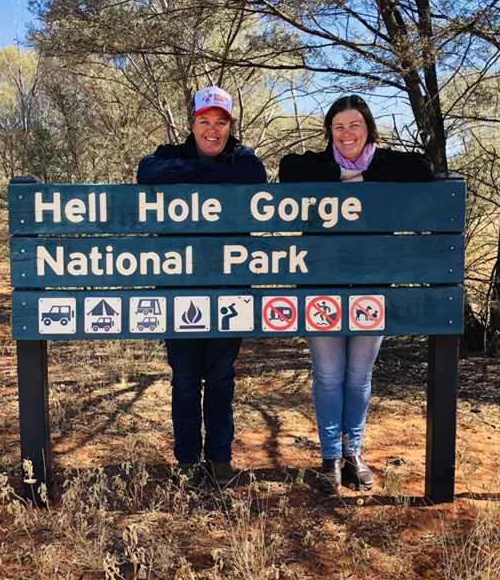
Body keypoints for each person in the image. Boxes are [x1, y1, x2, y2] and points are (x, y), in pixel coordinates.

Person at [278, 94, 435, 495]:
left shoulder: (385, 163)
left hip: (370, 288)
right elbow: (288, 171)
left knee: (358, 375)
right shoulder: (316, 164)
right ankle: (330, 458)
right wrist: (343, 178)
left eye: (355, 126)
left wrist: (362, 179)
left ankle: (354, 454)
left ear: (368, 129)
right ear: (329, 132)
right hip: (321, 287)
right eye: (338, 127)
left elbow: (423, 168)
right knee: (329, 375)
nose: (347, 134)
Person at [137, 85, 267, 485]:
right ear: (191, 123)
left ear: (231, 126)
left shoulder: (243, 159)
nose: (212, 131)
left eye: (220, 123)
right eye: (204, 121)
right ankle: (188, 459)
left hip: (231, 289)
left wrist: (193, 175)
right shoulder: (168, 155)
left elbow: (252, 175)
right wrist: (207, 172)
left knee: (222, 376)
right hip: (179, 288)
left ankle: (220, 457)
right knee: (186, 378)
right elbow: (146, 173)